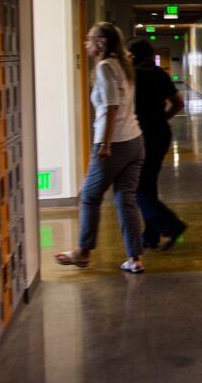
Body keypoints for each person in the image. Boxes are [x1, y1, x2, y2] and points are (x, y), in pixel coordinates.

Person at [55, 22, 147, 274]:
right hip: (135, 141)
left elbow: (111, 107)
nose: (85, 43)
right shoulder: (123, 66)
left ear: (101, 43)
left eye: (89, 38)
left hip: (114, 143)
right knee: (125, 199)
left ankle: (83, 252)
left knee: (89, 196)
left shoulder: (106, 67)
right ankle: (134, 258)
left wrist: (105, 145)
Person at [128, 39, 189, 250]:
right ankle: (151, 236)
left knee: (137, 188)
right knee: (148, 183)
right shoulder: (160, 74)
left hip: (140, 136)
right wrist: (163, 118)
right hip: (161, 134)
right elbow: (178, 103)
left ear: (133, 56)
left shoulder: (132, 76)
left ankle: (172, 225)